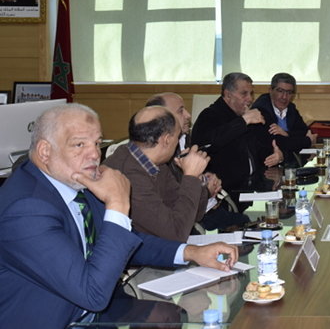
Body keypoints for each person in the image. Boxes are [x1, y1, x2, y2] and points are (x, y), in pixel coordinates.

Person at [0, 103, 237, 329]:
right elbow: (92, 294)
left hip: (100, 312)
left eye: (97, 143)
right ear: (45, 151)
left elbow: (125, 240)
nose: (94, 154)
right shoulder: (25, 209)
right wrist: (118, 204)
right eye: (79, 145)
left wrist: (191, 252)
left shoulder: (72, 180)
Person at [103, 105, 210, 242]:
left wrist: (197, 178)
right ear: (167, 140)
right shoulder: (129, 175)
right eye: (178, 137)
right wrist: (191, 176)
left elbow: (194, 215)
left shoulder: (155, 163)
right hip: (137, 252)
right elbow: (176, 233)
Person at [146, 92, 248, 231]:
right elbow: (173, 199)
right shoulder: (159, 153)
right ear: (161, 119)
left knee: (245, 223)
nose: (188, 115)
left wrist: (207, 178)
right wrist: (206, 191)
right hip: (188, 219)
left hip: (205, 207)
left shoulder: (185, 138)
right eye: (180, 111)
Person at [192, 72, 282, 199]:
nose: (250, 99)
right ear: (228, 95)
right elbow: (209, 144)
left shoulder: (245, 116)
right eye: (244, 94)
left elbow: (260, 150)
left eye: (251, 93)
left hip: (252, 187)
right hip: (224, 192)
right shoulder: (209, 115)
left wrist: (277, 156)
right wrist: (244, 121)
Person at [252, 72, 317, 167]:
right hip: (265, 165)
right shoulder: (261, 110)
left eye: (289, 92)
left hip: (289, 162)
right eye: (280, 91)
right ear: (270, 90)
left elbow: (304, 132)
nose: (284, 97)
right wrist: (307, 141)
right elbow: (277, 142)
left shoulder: (291, 108)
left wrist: (286, 133)